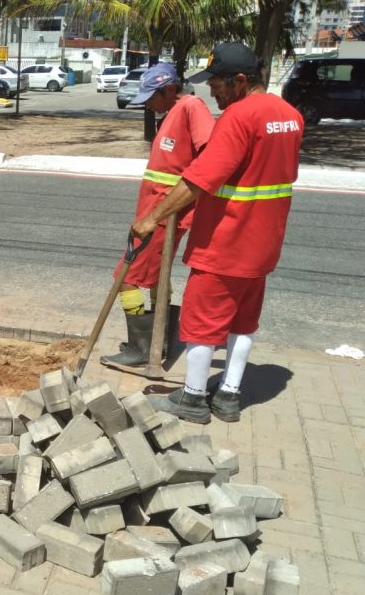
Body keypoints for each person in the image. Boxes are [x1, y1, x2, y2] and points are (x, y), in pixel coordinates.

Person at [132, 42, 304, 423]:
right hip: (263, 244)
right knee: (242, 322)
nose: (212, 90)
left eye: (218, 83)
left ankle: (192, 399)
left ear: (240, 81)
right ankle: (228, 395)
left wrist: (152, 218)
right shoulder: (290, 116)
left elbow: (199, 180)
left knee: (202, 323)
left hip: (226, 241)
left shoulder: (240, 118)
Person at [101, 63, 215, 369]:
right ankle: (158, 341)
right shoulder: (171, 114)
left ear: (169, 89)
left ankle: (141, 347)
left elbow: (209, 157)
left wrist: (172, 205)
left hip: (166, 214)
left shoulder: (191, 107)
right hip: (156, 212)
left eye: (153, 96)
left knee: (126, 278)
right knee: (154, 278)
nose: (149, 104)